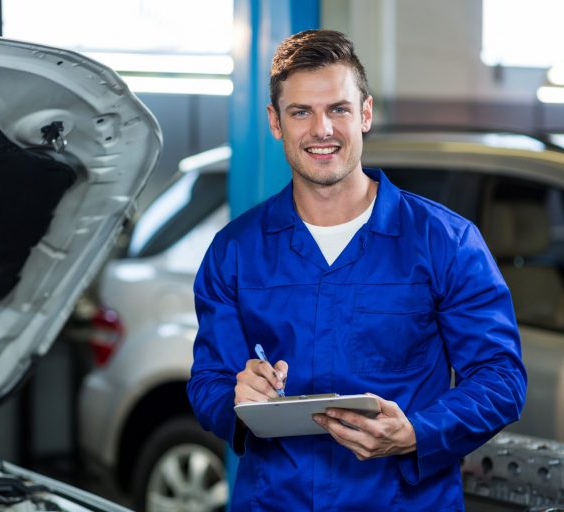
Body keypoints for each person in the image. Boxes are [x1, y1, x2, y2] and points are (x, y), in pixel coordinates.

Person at [187, 29, 526, 511]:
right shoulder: (234, 251)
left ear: (365, 114)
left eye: (338, 109)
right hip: (275, 502)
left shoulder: (444, 241)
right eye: (301, 111)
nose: (321, 129)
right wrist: (237, 398)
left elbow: (500, 377)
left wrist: (415, 433)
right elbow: (208, 383)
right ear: (275, 122)